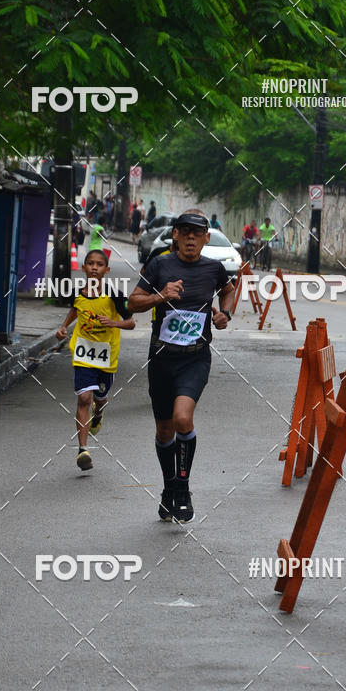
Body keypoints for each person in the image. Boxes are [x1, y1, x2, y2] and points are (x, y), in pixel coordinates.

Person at [128, 210, 234, 523]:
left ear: (205, 238)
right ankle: (168, 488)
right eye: (184, 231)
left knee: (182, 418)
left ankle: (183, 488)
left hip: (195, 357)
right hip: (162, 358)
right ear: (175, 235)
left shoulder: (213, 268)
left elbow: (228, 290)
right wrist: (160, 296)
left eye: (196, 233)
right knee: (164, 430)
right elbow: (132, 303)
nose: (190, 237)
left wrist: (225, 314)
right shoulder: (160, 264)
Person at [55, 250, 135, 471]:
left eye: (99, 264)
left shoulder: (115, 295)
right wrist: (63, 328)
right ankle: (83, 450)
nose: (94, 267)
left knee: (99, 399)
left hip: (106, 356)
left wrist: (113, 322)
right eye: (90, 263)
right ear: (84, 268)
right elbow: (75, 309)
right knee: (84, 398)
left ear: (106, 270)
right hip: (83, 353)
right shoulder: (77, 293)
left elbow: (131, 323)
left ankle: (98, 413)